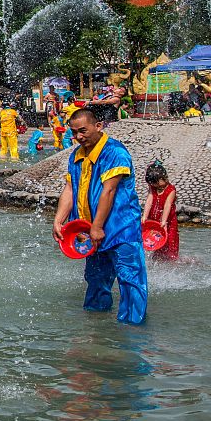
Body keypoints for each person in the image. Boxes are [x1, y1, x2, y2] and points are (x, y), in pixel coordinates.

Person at [50, 108, 146, 325]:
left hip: (119, 229)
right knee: (95, 280)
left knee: (130, 279)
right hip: (90, 231)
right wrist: (59, 219)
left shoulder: (115, 152)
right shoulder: (77, 154)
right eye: (74, 133)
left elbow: (109, 190)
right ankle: (96, 329)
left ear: (99, 126)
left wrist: (98, 226)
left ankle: (133, 331)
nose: (78, 137)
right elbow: (70, 188)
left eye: (83, 131)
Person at [144, 161, 179, 261]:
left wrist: (164, 222)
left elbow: (167, 205)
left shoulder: (171, 190)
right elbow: (149, 200)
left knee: (171, 243)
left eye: (156, 183)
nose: (154, 185)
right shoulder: (153, 187)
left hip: (169, 222)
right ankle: (157, 260)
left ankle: (172, 261)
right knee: (156, 242)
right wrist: (145, 217)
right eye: (152, 184)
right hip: (155, 221)